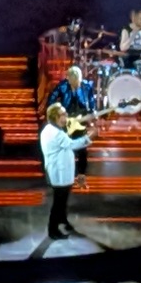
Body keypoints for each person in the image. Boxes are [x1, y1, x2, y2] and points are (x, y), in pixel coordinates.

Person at [38, 98, 83, 243]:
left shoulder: (51, 129)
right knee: (59, 202)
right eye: (63, 114)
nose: (66, 116)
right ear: (56, 117)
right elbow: (73, 144)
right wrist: (90, 137)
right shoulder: (56, 133)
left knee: (62, 201)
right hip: (59, 173)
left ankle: (63, 220)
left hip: (60, 172)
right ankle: (53, 230)